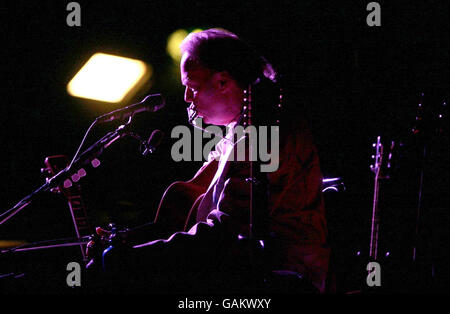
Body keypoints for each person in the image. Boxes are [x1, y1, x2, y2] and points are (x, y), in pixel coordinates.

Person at [87, 28, 330, 294]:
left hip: (282, 282)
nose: (187, 99)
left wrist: (133, 257)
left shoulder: (266, 132)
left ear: (223, 82)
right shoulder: (237, 135)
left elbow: (223, 235)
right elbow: (188, 213)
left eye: (192, 87)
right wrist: (124, 241)